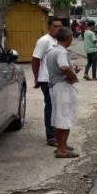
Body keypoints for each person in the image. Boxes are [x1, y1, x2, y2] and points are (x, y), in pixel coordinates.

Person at [46, 27, 80, 158]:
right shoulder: (61, 52)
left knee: (58, 117)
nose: (72, 39)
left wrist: (72, 71)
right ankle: (61, 149)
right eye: (71, 37)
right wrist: (73, 76)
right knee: (64, 118)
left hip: (55, 86)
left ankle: (62, 145)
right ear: (68, 38)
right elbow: (64, 67)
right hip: (62, 87)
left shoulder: (52, 50)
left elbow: (63, 68)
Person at [32, 17, 62, 147]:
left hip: (56, 79)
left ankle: (56, 135)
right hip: (46, 79)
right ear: (49, 27)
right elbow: (35, 59)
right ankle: (50, 136)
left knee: (56, 107)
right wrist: (37, 77)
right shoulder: (44, 41)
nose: (58, 29)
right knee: (50, 106)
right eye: (55, 26)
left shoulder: (58, 41)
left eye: (60, 26)